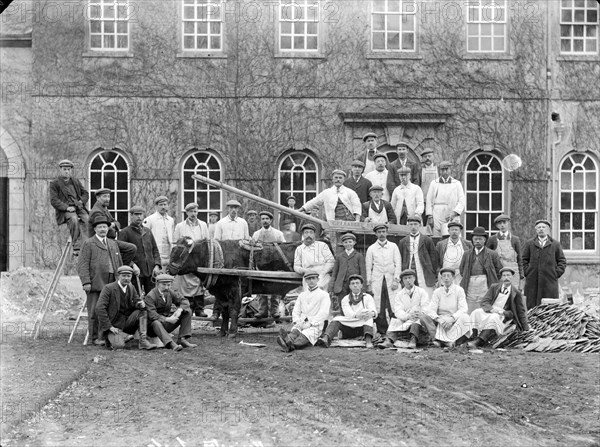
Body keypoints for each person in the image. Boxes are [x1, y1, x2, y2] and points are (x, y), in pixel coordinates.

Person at [77, 215, 137, 346]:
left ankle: (107, 336)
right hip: (96, 281)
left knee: (110, 309)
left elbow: (126, 254)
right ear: (95, 229)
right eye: (100, 227)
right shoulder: (89, 243)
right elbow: (82, 264)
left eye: (104, 227)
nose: (103, 229)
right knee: (94, 310)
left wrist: (125, 270)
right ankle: (95, 338)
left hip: (112, 279)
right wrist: (86, 282)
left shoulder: (112, 243)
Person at [95, 265, 157, 350]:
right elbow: (100, 308)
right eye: (123, 276)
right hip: (114, 325)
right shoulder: (109, 288)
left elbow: (136, 302)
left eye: (129, 276)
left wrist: (140, 304)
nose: (126, 278)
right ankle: (115, 338)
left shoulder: (131, 287)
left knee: (142, 312)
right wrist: (109, 326)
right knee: (119, 346)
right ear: (118, 276)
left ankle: (143, 341)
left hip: (127, 323)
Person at [468, 267, 530, 349]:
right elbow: (484, 301)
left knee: (493, 317)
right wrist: (491, 309)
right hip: (491, 309)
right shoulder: (494, 287)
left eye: (508, 275)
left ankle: (479, 341)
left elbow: (520, 311)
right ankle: (473, 336)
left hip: (503, 314)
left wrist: (526, 328)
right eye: (504, 275)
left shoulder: (516, 293)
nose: (506, 278)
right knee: (476, 312)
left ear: (512, 277)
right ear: (501, 278)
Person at [317, 274, 377, 349]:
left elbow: (373, 310)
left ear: (361, 285)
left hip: (362, 326)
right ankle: (326, 338)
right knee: (337, 319)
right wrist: (358, 315)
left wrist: (370, 313)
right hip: (349, 325)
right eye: (353, 283)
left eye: (357, 283)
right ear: (350, 286)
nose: (355, 285)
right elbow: (348, 314)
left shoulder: (367, 297)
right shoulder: (345, 299)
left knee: (369, 319)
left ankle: (368, 341)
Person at [276, 271, 331, 352]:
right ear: (305, 281)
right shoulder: (302, 295)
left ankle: (290, 345)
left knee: (304, 336)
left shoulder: (324, 295)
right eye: (309, 279)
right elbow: (296, 310)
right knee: (295, 332)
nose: (311, 281)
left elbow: (323, 313)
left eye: (313, 278)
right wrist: (297, 321)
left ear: (318, 279)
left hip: (315, 324)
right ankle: (288, 341)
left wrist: (310, 323)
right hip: (301, 322)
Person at [173, 202, 210, 317]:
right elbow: (176, 244)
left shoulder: (203, 225)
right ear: (187, 212)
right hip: (186, 258)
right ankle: (188, 308)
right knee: (185, 282)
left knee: (199, 282)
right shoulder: (180, 226)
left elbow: (207, 242)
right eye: (191, 211)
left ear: (197, 212)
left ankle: (199, 308)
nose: (193, 214)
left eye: (195, 211)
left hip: (199, 258)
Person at [378, 269, 431, 349]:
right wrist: (407, 316)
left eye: (410, 278)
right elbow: (398, 310)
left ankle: (413, 340)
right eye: (405, 279)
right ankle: (389, 340)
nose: (408, 280)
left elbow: (426, 306)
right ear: (402, 281)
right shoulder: (399, 294)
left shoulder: (421, 292)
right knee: (396, 321)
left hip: (418, 318)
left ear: (414, 278)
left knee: (416, 322)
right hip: (406, 318)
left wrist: (418, 314)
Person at [365, 224, 402, 337]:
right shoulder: (371, 248)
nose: (381, 234)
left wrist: (396, 279)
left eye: (383, 231)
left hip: (391, 279)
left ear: (387, 233)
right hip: (377, 280)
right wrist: (369, 283)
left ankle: (394, 331)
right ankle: (382, 331)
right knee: (379, 306)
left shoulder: (393, 246)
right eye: (379, 232)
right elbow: (368, 267)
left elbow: (398, 263)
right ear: (376, 234)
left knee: (393, 305)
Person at [145, 273, 198, 351]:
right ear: (157, 284)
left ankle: (182, 339)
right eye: (164, 285)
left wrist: (180, 309)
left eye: (168, 285)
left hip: (165, 324)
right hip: (152, 328)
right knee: (156, 322)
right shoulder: (150, 296)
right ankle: (171, 344)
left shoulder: (170, 292)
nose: (166, 287)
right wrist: (168, 319)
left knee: (187, 311)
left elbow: (184, 301)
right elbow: (152, 315)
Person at [522, 219, 567, 309]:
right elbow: (523, 260)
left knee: (549, 308)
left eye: (543, 227)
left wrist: (556, 273)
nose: (541, 229)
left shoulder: (555, 244)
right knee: (532, 306)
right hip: (532, 281)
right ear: (536, 229)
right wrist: (527, 272)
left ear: (548, 230)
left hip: (549, 281)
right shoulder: (529, 244)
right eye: (539, 227)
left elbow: (562, 261)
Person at [49, 159, 89, 255]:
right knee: (74, 219)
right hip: (66, 210)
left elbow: (85, 194)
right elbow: (54, 200)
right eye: (64, 169)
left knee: (88, 220)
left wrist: (80, 202)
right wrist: (67, 208)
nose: (67, 171)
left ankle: (88, 245)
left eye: (68, 169)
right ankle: (77, 247)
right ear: (60, 170)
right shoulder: (55, 183)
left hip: (78, 207)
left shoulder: (75, 181)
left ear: (71, 170)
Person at [422, 268, 471, 348]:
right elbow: (431, 309)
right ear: (441, 278)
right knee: (424, 317)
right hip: (441, 320)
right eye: (444, 276)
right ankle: (439, 340)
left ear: (453, 278)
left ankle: (446, 341)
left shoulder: (459, 290)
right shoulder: (437, 291)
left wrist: (452, 318)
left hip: (454, 319)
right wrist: (439, 319)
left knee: (465, 317)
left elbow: (463, 308)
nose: (446, 278)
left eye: (448, 276)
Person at [459, 226, 503, 314]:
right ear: (472, 240)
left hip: (486, 283)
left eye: (480, 239)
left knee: (485, 304)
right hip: (470, 283)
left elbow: (499, 270)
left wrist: (491, 279)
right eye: (475, 239)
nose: (477, 241)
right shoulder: (467, 254)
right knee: (470, 306)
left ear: (485, 240)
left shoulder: (492, 254)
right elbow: (462, 269)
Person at [119, 206, 162, 295]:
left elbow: (155, 250)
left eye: (141, 214)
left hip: (150, 272)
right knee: (135, 298)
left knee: (152, 298)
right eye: (136, 214)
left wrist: (157, 265)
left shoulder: (148, 231)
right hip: (135, 273)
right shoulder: (125, 232)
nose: (139, 217)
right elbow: (121, 253)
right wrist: (132, 265)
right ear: (131, 216)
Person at [252, 211, 286, 319]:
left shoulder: (278, 234)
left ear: (271, 220)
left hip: (275, 264)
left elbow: (284, 248)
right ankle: (262, 311)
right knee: (262, 287)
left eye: (267, 218)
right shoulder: (256, 234)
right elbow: (252, 250)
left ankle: (275, 310)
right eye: (263, 219)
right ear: (260, 220)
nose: (265, 221)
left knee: (275, 287)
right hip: (261, 264)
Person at [398, 215, 438, 298]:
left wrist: (433, 272)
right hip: (409, 271)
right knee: (409, 295)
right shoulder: (403, 241)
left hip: (424, 272)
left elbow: (434, 258)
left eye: (415, 224)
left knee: (426, 295)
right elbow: (400, 258)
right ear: (408, 226)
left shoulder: (427, 240)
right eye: (411, 224)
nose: (413, 227)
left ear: (420, 226)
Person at [426, 161, 465, 238]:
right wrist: (430, 216)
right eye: (442, 170)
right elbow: (429, 200)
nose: (444, 172)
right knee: (436, 235)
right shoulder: (434, 183)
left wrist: (454, 213)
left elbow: (462, 201)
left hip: (452, 213)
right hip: (437, 213)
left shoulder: (456, 183)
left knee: (452, 235)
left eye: (447, 169)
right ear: (439, 171)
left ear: (450, 170)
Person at [328, 233, 366, 311]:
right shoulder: (339, 256)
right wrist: (332, 286)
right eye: (345, 242)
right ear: (342, 244)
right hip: (342, 286)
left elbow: (363, 273)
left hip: (354, 285)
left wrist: (363, 287)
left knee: (355, 305)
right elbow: (335, 272)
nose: (348, 244)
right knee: (342, 304)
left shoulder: (359, 256)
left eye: (350, 242)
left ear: (354, 243)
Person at [486, 214, 524, 290]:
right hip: (499, 271)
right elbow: (487, 257)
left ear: (508, 223)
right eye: (500, 223)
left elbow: (520, 258)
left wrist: (521, 275)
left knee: (513, 293)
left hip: (513, 271)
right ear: (497, 225)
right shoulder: (492, 239)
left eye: (504, 223)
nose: (502, 225)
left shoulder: (515, 239)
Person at [293, 223, 335, 290]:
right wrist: (304, 270)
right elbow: (296, 266)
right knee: (309, 296)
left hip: (322, 274)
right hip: (308, 275)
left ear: (314, 234)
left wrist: (323, 272)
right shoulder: (299, 249)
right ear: (303, 235)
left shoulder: (322, 245)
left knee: (321, 292)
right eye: (306, 233)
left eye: (311, 232)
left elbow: (331, 261)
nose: (308, 235)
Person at [143, 196, 175, 269]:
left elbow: (171, 236)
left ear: (168, 205)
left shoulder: (170, 220)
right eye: (160, 205)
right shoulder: (150, 219)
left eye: (165, 204)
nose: (163, 207)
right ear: (156, 206)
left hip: (168, 254)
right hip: (156, 254)